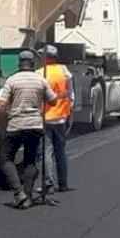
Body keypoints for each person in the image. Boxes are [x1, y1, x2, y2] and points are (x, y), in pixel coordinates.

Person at [0, 50, 58, 209]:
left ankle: (18, 193)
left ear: (19, 63)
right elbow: (54, 101)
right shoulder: (40, 80)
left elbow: (2, 105)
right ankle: (27, 196)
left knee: (6, 159)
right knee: (30, 160)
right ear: (33, 64)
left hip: (16, 125)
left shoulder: (12, 80)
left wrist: (2, 126)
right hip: (35, 125)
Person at [41, 45, 75, 194]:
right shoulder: (64, 71)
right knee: (60, 151)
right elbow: (70, 95)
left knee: (47, 152)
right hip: (61, 117)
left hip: (46, 118)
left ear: (45, 58)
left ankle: (48, 184)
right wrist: (70, 113)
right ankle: (63, 184)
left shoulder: (40, 73)